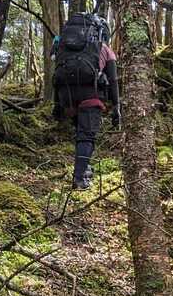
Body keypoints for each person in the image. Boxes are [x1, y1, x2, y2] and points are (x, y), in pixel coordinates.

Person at [51, 11, 121, 191]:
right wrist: (116, 107)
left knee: (80, 133)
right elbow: (113, 80)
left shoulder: (62, 46)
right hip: (91, 95)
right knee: (86, 136)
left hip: (66, 95)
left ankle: (85, 167)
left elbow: (56, 73)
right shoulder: (103, 48)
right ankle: (79, 178)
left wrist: (57, 104)